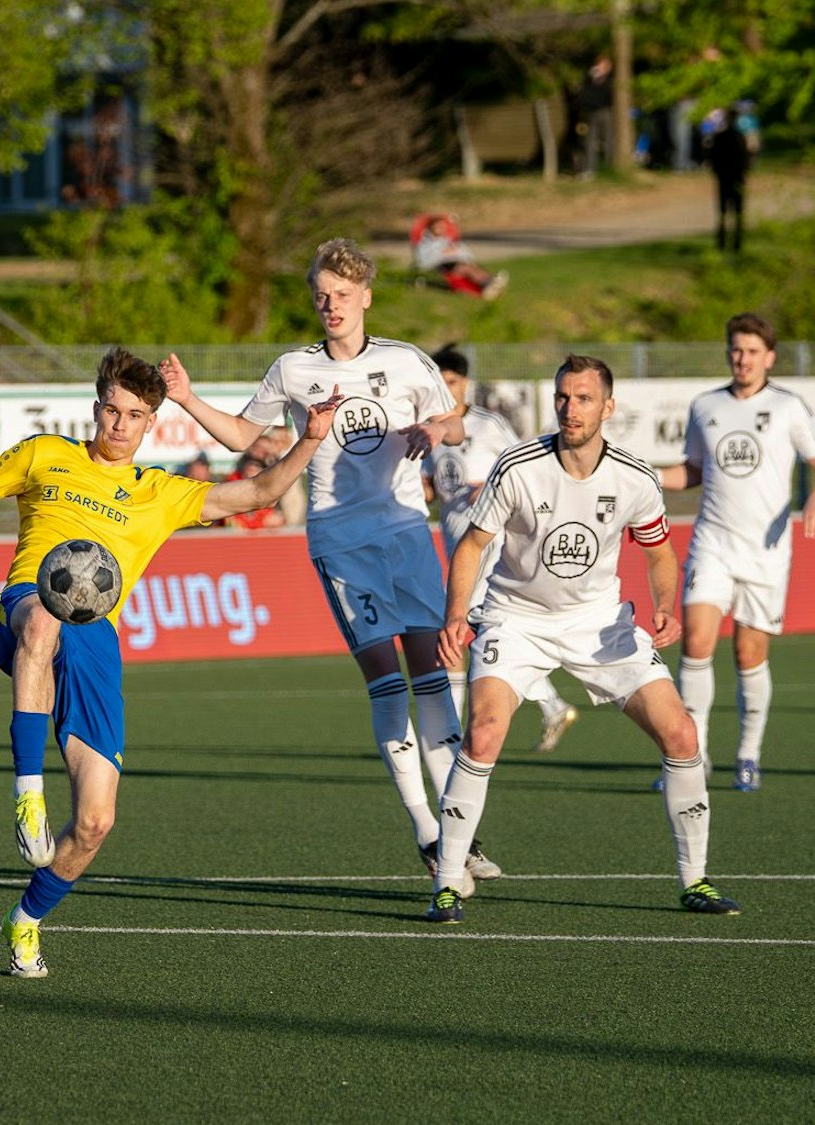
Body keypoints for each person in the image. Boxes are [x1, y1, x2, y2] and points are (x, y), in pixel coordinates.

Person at [0, 348, 340, 977]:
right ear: (95, 407)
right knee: (47, 614)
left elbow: (260, 490)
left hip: (96, 640)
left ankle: (26, 920)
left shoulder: (159, 492)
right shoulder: (45, 454)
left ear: (150, 422)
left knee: (97, 822)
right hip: (24, 608)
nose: (120, 424)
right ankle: (27, 794)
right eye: (112, 409)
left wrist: (312, 439)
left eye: (135, 415)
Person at [160, 238, 504, 897]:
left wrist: (437, 432)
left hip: (406, 534)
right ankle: (429, 832)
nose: (330, 305)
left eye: (342, 294)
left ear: (366, 297)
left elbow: (455, 422)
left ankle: (458, 834)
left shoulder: (407, 363)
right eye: (321, 294)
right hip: (342, 541)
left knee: (432, 676)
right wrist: (186, 398)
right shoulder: (293, 369)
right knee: (384, 678)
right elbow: (245, 436)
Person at [429, 355, 739, 924]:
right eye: (564, 398)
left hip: (600, 624)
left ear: (608, 407)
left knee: (681, 731)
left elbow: (660, 550)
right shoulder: (517, 467)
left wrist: (666, 605)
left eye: (584, 399)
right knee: (485, 731)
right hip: (516, 618)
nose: (571, 410)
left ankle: (695, 880)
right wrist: (457, 618)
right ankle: (448, 881)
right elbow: (472, 545)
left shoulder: (634, 477)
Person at [658, 313, 815, 792]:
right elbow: (691, 471)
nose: (743, 359)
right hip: (712, 543)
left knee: (747, 653)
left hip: (766, 551)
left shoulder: (788, 407)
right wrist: (646, 475)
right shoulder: (705, 406)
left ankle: (748, 756)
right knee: (696, 643)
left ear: (770, 357)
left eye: (753, 351)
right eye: (736, 349)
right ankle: (690, 755)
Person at [422, 345, 581, 752]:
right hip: (456, 545)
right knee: (485, 635)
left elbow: (522, 465)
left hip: (491, 543)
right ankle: (552, 704)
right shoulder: (432, 431)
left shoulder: (488, 424)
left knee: (463, 629)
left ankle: (449, 738)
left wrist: (490, 486)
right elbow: (431, 484)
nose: (446, 390)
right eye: (438, 383)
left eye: (452, 382)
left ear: (465, 384)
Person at [409, 213, 508, 300]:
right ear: (431, 228)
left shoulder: (447, 240)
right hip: (442, 265)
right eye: (438, 227)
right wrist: (445, 252)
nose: (441, 229)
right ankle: (488, 283)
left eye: (442, 227)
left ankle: (490, 283)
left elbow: (463, 251)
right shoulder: (426, 243)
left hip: (456, 262)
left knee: (471, 267)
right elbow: (424, 258)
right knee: (465, 269)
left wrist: (456, 251)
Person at [709, 108, 750, 253]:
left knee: (724, 211)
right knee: (735, 211)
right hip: (735, 177)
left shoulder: (720, 137)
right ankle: (735, 241)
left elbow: (713, 158)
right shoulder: (739, 137)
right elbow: (746, 160)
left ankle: (724, 241)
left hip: (725, 177)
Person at [221, 454, 286, 530]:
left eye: (254, 471)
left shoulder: (269, 488)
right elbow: (230, 519)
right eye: (248, 470)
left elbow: (275, 518)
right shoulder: (231, 486)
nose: (249, 474)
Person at [575, 55, 614, 177]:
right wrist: (591, 77)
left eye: (604, 65)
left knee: (608, 139)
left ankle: (609, 167)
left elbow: (609, 95)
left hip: (604, 111)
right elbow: (583, 93)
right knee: (590, 140)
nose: (601, 68)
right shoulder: (589, 79)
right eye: (600, 65)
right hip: (590, 112)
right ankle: (590, 169)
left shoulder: (610, 80)